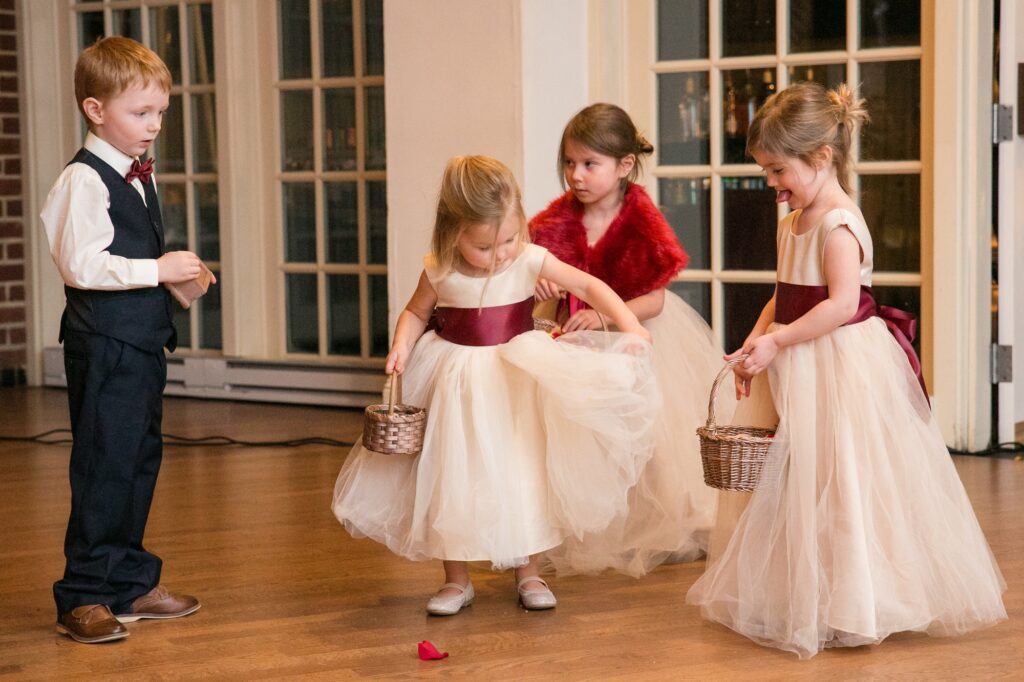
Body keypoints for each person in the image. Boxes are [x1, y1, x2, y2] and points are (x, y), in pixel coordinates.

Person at [685, 82, 1006, 659]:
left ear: (823, 157)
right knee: (794, 480)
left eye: (779, 170)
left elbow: (836, 304)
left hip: (839, 365)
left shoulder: (837, 223)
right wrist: (754, 343)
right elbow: (782, 295)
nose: (771, 184)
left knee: (844, 478)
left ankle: (856, 598)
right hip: (794, 356)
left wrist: (779, 341)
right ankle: (799, 588)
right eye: (765, 170)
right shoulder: (793, 221)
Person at [333, 155, 659, 615]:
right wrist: (402, 345)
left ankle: (529, 571)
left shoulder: (528, 259)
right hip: (455, 386)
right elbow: (415, 313)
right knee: (454, 476)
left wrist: (630, 325)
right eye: (485, 247)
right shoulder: (439, 268)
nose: (500, 253)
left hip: (514, 384)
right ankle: (456, 579)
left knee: (522, 472)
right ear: (453, 233)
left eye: (507, 239)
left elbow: (591, 286)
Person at [40, 36, 208, 644]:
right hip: (104, 345)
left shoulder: (134, 172)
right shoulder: (82, 181)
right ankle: (83, 592)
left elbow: (126, 250)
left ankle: (128, 581)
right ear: (94, 110)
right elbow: (82, 265)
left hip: (140, 343)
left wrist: (176, 277)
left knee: (138, 462)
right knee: (103, 467)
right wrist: (156, 270)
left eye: (160, 113)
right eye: (141, 113)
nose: (154, 126)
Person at [530, 103, 731, 576]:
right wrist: (541, 285)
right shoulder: (554, 222)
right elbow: (539, 278)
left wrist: (604, 317)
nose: (575, 175)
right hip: (574, 338)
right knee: (580, 432)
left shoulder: (640, 219)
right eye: (569, 163)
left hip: (634, 334)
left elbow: (654, 302)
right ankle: (581, 520)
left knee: (652, 434)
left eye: (589, 164)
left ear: (623, 167)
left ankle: (665, 518)